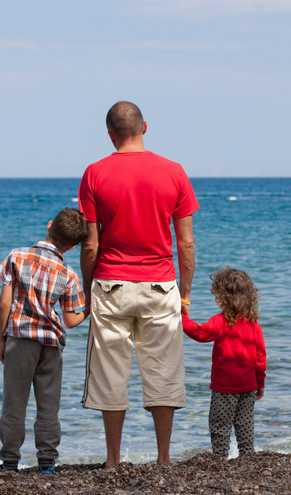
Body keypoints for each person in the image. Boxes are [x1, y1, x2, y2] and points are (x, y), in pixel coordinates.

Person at [79, 101, 199, 467]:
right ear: (145, 127)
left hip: (111, 283)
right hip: (161, 285)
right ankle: (163, 458)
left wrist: (87, 293)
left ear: (110, 134)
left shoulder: (94, 173)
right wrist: (186, 295)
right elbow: (187, 242)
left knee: (110, 373)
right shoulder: (174, 171)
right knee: (163, 370)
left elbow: (90, 244)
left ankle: (113, 460)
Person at [0, 207, 89, 474]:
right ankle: (46, 462)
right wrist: (88, 310)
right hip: (51, 343)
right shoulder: (69, 274)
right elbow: (70, 320)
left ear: (49, 225)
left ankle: (10, 462)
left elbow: (4, 304)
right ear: (72, 247)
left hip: (20, 338)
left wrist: (3, 339)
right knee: (48, 405)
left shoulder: (16, 256)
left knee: (14, 403)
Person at [182, 268, 266, 458]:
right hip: (247, 388)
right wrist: (260, 384)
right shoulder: (254, 324)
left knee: (220, 426)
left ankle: (220, 459)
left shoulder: (220, 321)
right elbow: (260, 359)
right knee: (245, 427)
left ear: (223, 297)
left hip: (224, 389)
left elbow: (200, 333)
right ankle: (247, 458)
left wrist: (181, 318)